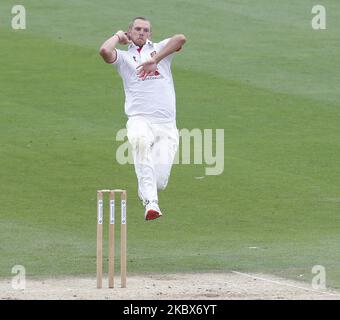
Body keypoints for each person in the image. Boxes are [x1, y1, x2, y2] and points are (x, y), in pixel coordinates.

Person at [99, 17, 186, 221]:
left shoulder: (159, 50)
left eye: (145, 30)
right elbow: (104, 51)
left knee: (160, 182)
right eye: (137, 29)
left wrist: (155, 60)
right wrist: (117, 36)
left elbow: (181, 38)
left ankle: (146, 193)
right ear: (130, 32)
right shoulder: (122, 58)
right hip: (139, 118)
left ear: (150, 34)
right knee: (140, 142)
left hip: (166, 124)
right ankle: (151, 204)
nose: (141, 32)